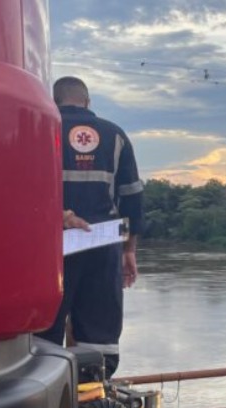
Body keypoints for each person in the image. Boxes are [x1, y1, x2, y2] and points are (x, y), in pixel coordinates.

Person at [37, 76, 144, 378]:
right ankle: (93, 397)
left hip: (50, 248)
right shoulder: (115, 134)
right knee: (99, 331)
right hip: (103, 243)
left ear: (54, 100)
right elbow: (132, 198)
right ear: (87, 101)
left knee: (43, 333)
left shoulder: (42, 128)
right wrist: (129, 251)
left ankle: (49, 391)